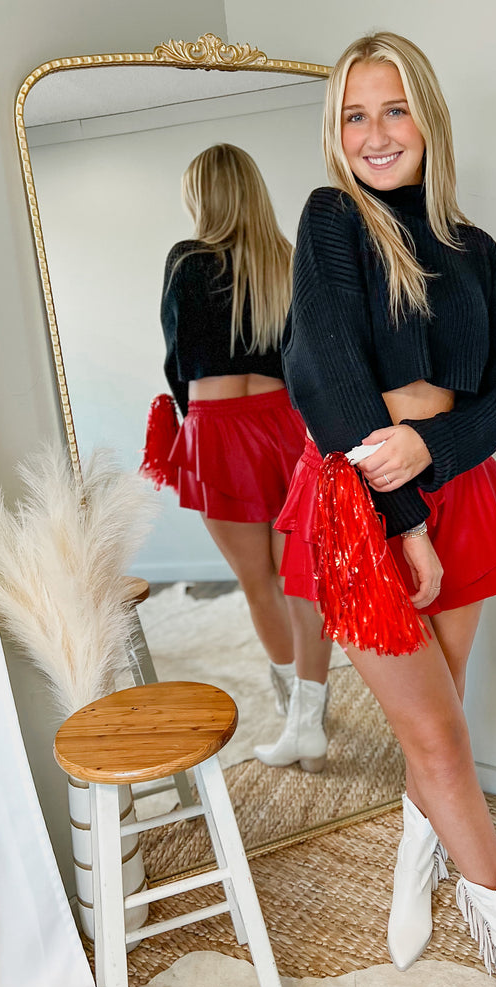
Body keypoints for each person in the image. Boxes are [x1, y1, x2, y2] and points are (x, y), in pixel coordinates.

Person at [275, 32, 496, 987]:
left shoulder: (475, 251)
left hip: (459, 487)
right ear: (336, 133)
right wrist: (400, 515)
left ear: (427, 120)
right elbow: (324, 365)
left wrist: (433, 455)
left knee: (433, 722)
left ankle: (418, 856)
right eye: (353, 116)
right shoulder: (330, 220)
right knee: (443, 737)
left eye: (392, 110)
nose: (373, 134)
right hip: (366, 506)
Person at [161, 143, 332, 772]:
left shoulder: (186, 259)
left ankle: (295, 713)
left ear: (203, 196)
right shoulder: (286, 262)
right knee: (301, 578)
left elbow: (177, 359)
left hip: (217, 430)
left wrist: (193, 418)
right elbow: (307, 359)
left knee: (257, 580)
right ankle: (307, 722)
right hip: (285, 425)